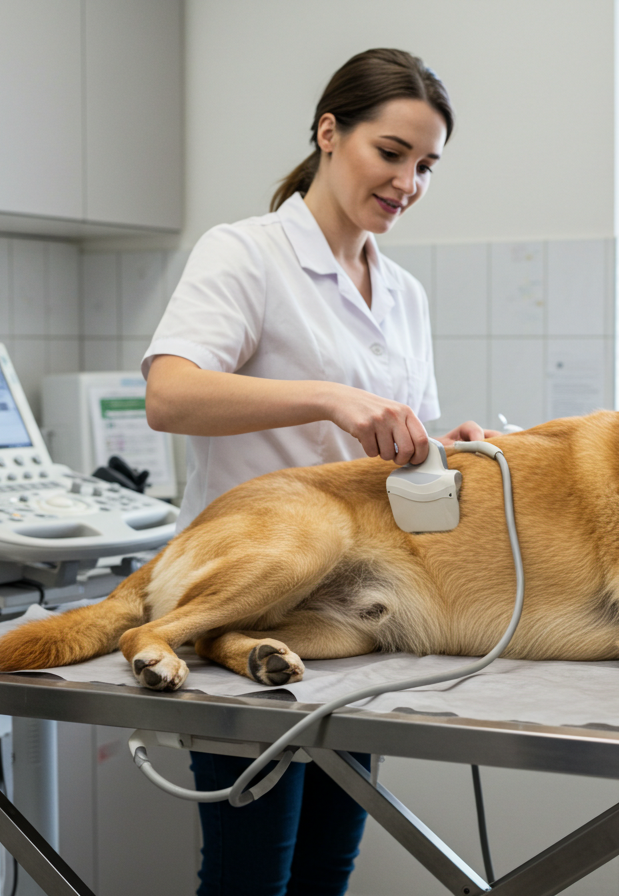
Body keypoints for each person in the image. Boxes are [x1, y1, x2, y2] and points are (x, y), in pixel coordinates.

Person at [141, 48, 495, 896]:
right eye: (391, 153)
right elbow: (170, 395)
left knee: (326, 871)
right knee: (250, 875)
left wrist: (443, 445)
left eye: (427, 166)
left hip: (355, 613)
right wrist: (330, 398)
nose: (408, 182)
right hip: (249, 599)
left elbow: (389, 447)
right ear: (329, 134)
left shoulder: (402, 293)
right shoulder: (245, 254)